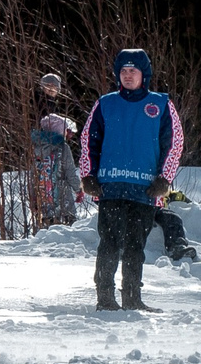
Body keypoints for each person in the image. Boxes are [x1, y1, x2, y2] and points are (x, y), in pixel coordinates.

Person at [79, 48, 184, 313]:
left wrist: (165, 178)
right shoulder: (105, 103)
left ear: (143, 75)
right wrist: (87, 174)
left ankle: (133, 297)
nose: (128, 76)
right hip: (111, 186)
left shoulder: (161, 104)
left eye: (133, 71)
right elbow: (88, 140)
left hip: (145, 188)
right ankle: (105, 297)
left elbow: (174, 143)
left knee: (136, 245)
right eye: (123, 71)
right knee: (110, 242)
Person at [26, 72, 79, 234]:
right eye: (48, 86)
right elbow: (70, 171)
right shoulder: (39, 102)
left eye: (55, 87)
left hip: (44, 194)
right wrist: (79, 188)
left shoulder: (51, 104)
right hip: (61, 196)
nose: (51, 89)